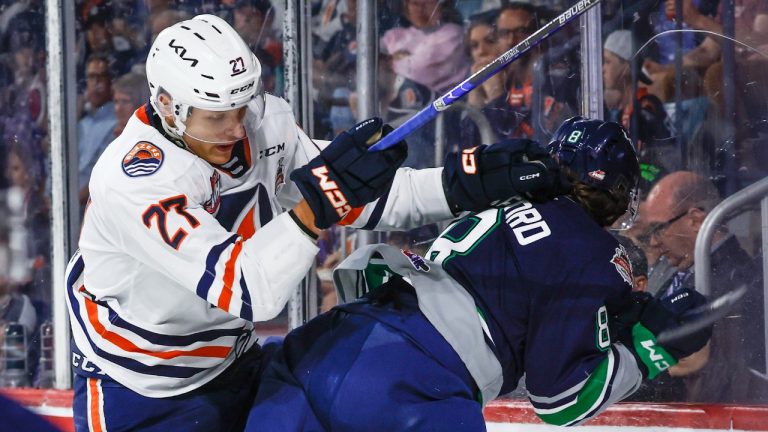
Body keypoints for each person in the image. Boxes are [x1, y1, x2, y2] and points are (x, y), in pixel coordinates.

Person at [65, 14, 566, 431]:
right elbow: (250, 289)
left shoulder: (263, 123)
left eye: (242, 105)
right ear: (168, 107)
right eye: (216, 115)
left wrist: (463, 183)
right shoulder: (136, 180)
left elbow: (362, 199)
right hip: (143, 392)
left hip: (235, 364)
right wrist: (316, 205)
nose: (236, 127)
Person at [245, 117, 713, 431]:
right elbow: (562, 398)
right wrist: (648, 348)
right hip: (416, 389)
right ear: (617, 191)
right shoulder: (597, 254)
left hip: (329, 342)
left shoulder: (503, 194)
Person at [642, 171, 767, 402]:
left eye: (658, 228)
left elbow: (715, 373)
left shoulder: (734, 280)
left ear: (695, 219)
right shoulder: (680, 270)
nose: (654, 242)